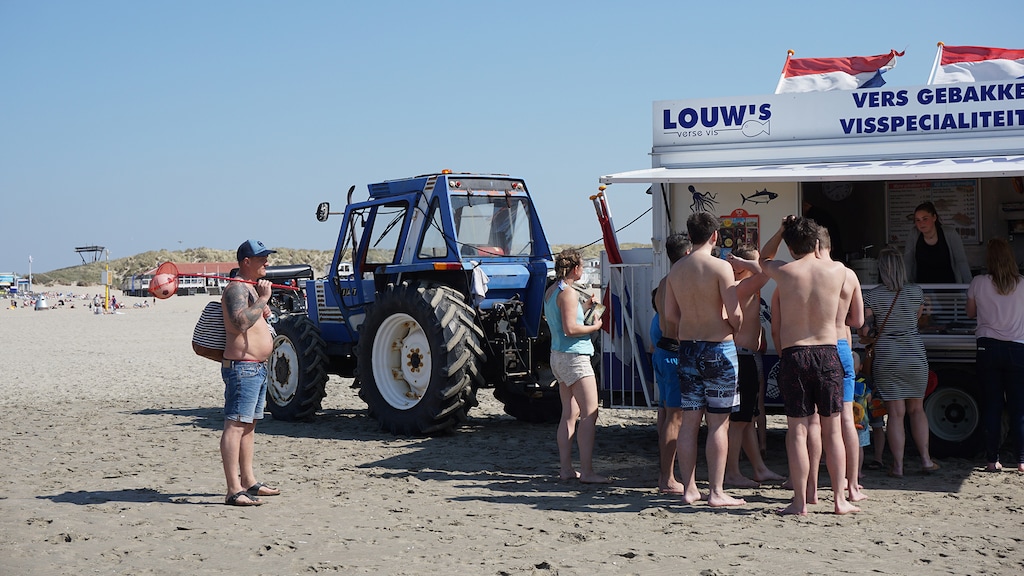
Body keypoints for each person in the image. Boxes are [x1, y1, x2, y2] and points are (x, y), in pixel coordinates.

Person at [760, 216, 859, 516]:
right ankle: (840, 500)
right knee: (833, 432)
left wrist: (779, 230)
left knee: (799, 432)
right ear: (817, 244)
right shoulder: (838, 270)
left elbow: (764, 256)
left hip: (795, 355)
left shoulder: (786, 272)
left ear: (790, 247)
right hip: (829, 352)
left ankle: (800, 502)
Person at [663, 212, 745, 507]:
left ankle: (689, 489)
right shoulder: (721, 268)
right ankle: (717, 491)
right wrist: (730, 325)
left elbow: (670, 316)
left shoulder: (676, 270)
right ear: (714, 236)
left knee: (689, 422)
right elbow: (735, 314)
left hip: (688, 347)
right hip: (717, 348)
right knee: (718, 424)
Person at [859, 247, 939, 478]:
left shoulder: (872, 296)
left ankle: (898, 466)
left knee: (895, 414)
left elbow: (865, 329)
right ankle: (925, 460)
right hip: (914, 355)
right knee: (917, 409)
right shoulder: (916, 292)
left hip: (887, 356)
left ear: (881, 269)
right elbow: (917, 319)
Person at [219, 239, 282, 506]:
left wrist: (263, 306)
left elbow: (255, 320)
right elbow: (239, 322)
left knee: (249, 426)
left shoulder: (250, 289)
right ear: (247, 262)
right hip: (242, 368)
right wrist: (264, 298)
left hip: (257, 367)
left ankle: (249, 481)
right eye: (262, 258)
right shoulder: (236, 289)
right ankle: (234, 489)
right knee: (235, 425)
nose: (267, 262)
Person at [544, 248, 609, 484]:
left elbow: (564, 321)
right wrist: (595, 327)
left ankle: (566, 468)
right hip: (575, 357)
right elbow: (571, 329)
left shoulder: (553, 291)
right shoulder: (569, 293)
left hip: (558, 356)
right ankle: (588, 471)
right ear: (576, 268)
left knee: (569, 414)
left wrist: (585, 309)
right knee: (590, 414)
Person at [723, 244, 784, 487]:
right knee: (738, 421)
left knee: (745, 419)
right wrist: (742, 262)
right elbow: (767, 271)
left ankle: (758, 468)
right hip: (741, 357)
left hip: (746, 356)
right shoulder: (741, 287)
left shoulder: (746, 288)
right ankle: (733, 472)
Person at [817, 228, 868, 502]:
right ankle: (853, 484)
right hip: (842, 344)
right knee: (847, 419)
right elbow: (858, 321)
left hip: (818, 346)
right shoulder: (848, 274)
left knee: (815, 421)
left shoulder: (810, 273)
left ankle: (810, 486)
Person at [966, 238, 1024, 473]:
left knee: (992, 405)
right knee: (1019, 408)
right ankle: (1021, 461)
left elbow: (970, 313)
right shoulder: (1022, 283)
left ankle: (992, 460)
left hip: (987, 348)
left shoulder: (978, 282)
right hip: (1017, 348)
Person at [651, 234, 692, 494]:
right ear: (687, 253)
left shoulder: (664, 282)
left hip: (663, 352)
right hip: (675, 352)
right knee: (675, 417)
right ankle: (666, 477)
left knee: (667, 414)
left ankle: (667, 472)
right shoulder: (681, 281)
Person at [904, 201, 972, 284]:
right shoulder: (913, 234)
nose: (921, 223)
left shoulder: (950, 233)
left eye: (925, 219)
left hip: (949, 287)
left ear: (934, 217)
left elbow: (961, 261)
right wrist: (904, 286)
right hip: (922, 289)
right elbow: (907, 261)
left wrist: (970, 286)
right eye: (917, 220)